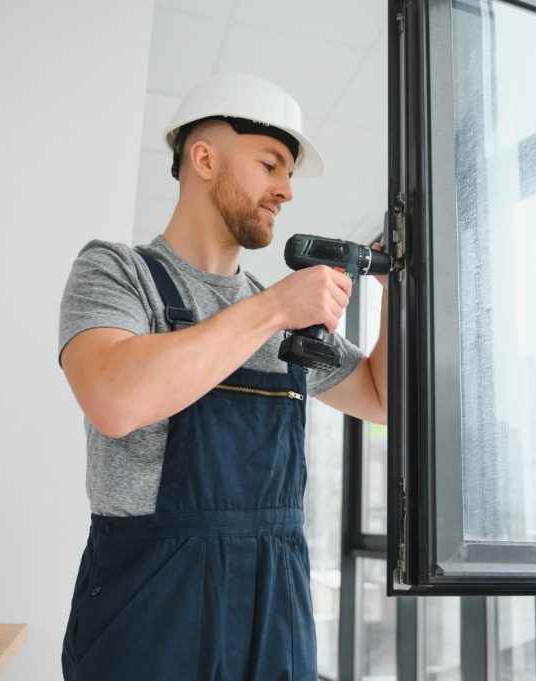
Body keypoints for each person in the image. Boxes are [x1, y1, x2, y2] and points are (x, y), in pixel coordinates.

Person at [57, 72, 388, 679]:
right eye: (271, 164)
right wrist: (273, 310)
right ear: (203, 159)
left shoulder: (283, 315)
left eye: (289, 174)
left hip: (275, 604)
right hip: (150, 614)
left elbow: (380, 397)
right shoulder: (116, 272)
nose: (286, 190)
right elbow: (114, 398)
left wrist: (400, 290)